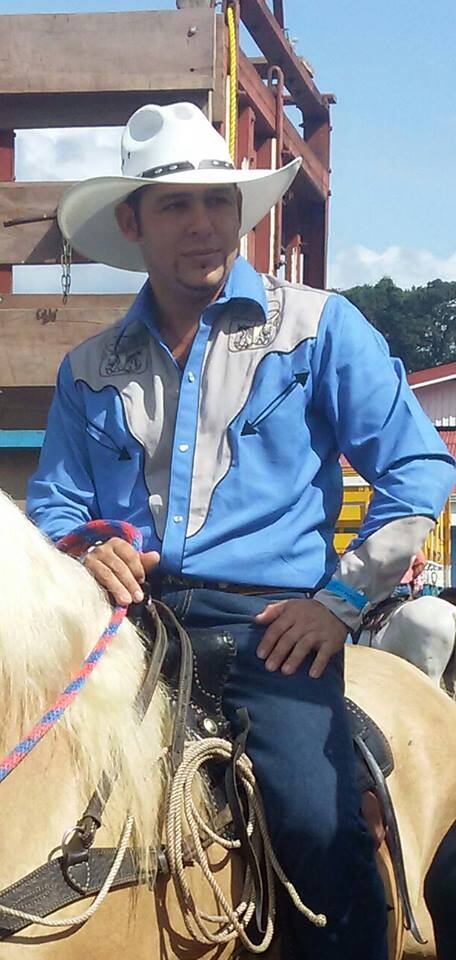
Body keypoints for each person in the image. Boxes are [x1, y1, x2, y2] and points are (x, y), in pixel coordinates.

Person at [26, 101, 456, 959]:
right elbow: (53, 507)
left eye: (218, 203)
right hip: (130, 626)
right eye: (177, 206)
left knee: (314, 813)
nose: (203, 225)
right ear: (132, 222)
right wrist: (82, 546)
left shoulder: (320, 330)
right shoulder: (88, 371)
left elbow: (418, 472)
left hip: (277, 633)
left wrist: (338, 602)